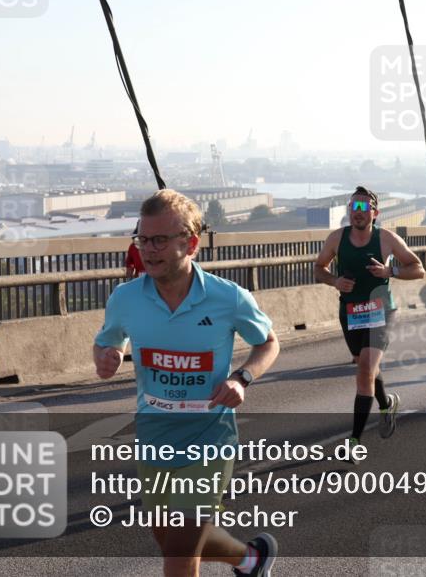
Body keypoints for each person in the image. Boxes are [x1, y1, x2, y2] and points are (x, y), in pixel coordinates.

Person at [93, 189, 281, 577]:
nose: (148, 250)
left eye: (160, 240)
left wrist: (242, 378)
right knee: (169, 538)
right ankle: (250, 559)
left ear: (190, 243)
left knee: (178, 554)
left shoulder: (228, 298)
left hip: (209, 439)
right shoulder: (126, 298)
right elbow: (107, 340)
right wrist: (106, 358)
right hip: (154, 436)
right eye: (143, 239)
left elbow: (268, 342)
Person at [313, 186, 425, 453]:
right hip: (351, 312)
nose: (358, 212)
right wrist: (335, 281)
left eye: (363, 208)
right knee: (365, 367)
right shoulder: (336, 239)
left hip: (381, 311)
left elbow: (418, 269)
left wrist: (390, 270)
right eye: (353, 207)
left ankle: (354, 442)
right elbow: (319, 268)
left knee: (365, 369)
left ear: (375, 213)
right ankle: (386, 404)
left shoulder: (386, 239)